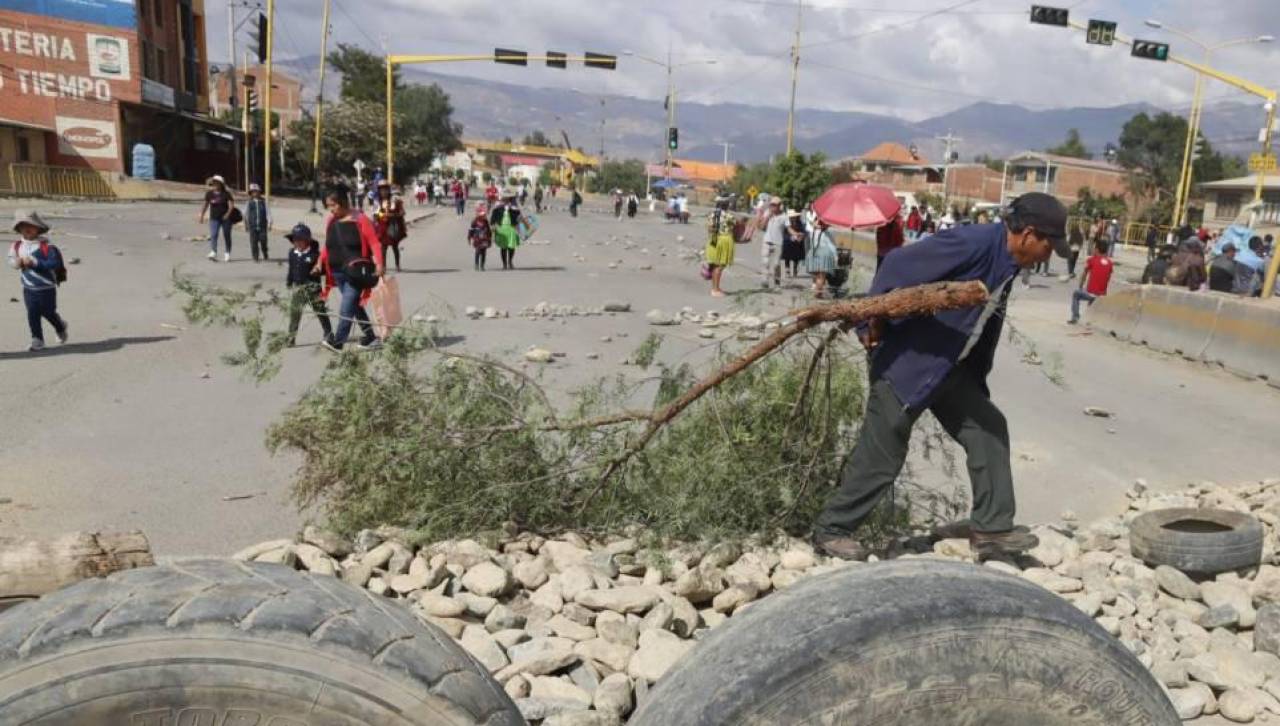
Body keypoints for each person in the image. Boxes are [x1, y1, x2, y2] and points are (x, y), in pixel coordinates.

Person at [812, 192, 1070, 560]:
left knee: (988, 428)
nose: (1048, 256)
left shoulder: (1008, 258)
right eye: (1048, 245)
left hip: (947, 367)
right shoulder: (974, 242)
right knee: (883, 451)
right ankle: (832, 529)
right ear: (1028, 234)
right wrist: (872, 324)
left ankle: (991, 528)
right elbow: (896, 265)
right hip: (908, 363)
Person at [315, 185, 384, 352]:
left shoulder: (360, 219)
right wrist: (319, 262)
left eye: (333, 205)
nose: (331, 210)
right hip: (337, 271)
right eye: (328, 206)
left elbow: (374, 242)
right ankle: (370, 337)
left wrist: (380, 264)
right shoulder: (331, 221)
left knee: (347, 305)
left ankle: (338, 342)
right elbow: (328, 245)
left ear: (343, 202)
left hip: (356, 272)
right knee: (354, 305)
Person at [8, 209, 67, 352]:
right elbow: (10, 260)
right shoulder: (16, 246)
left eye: (31, 225)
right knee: (32, 313)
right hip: (28, 288)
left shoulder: (47, 247)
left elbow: (54, 264)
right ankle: (37, 339)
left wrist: (35, 263)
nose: (27, 228)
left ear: (38, 228)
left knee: (48, 312)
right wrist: (16, 263)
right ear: (18, 229)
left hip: (46, 288)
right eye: (23, 226)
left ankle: (60, 326)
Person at [284, 223, 333, 347]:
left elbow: (324, 270)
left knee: (320, 311)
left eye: (300, 240)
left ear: (307, 241)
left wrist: (318, 271)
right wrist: (289, 282)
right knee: (295, 312)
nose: (297, 243)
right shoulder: (292, 253)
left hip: (313, 289)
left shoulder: (315, 255)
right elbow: (291, 270)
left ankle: (328, 333)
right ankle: (291, 338)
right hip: (299, 289)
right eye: (294, 240)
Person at [1068, 240, 1114, 324]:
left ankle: (1075, 317)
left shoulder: (1092, 260)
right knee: (1093, 295)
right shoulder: (1110, 263)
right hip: (1102, 295)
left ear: (1097, 249)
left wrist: (1080, 285)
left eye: (1094, 248)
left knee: (1076, 294)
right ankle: (1090, 318)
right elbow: (1107, 277)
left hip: (1091, 293)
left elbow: (1084, 275)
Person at [372, 180, 407, 272]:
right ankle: (383, 266)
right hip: (382, 227)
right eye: (381, 190)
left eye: (385, 190)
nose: (383, 192)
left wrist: (393, 215)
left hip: (393, 227)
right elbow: (375, 214)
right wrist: (380, 216)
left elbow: (402, 212)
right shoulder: (377, 202)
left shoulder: (395, 200)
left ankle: (397, 265)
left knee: (395, 247)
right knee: (383, 248)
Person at [198, 175, 235, 262]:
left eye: (216, 183)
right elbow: (205, 205)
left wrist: (227, 214)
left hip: (226, 219)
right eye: (213, 183)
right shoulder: (209, 194)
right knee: (214, 235)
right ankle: (213, 252)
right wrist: (202, 215)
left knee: (227, 236)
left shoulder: (226, 194)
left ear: (221, 184)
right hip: (214, 218)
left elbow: (231, 205)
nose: (214, 185)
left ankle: (227, 253)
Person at [704, 198, 736, 297]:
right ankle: (716, 289)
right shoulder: (728, 216)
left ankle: (714, 288)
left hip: (713, 239)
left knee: (714, 265)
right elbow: (735, 224)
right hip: (723, 240)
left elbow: (709, 227)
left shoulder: (712, 214)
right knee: (720, 265)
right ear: (726, 205)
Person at [806, 217, 839, 298]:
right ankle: (818, 293)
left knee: (816, 275)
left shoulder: (813, 232)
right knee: (821, 276)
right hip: (824, 254)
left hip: (813, 253)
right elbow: (832, 246)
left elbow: (809, 244)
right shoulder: (827, 233)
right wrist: (836, 257)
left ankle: (817, 291)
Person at [490, 191, 523, 270]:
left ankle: (510, 261)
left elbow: (519, 219)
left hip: (512, 228)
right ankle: (504, 264)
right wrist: (493, 227)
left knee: (511, 247)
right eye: (504, 198)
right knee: (503, 247)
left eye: (507, 198)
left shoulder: (514, 208)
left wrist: (519, 220)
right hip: (501, 229)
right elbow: (493, 219)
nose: (506, 200)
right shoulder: (497, 208)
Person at [760, 198, 786, 289]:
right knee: (765, 262)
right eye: (772, 205)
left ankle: (777, 282)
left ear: (779, 206)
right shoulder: (767, 213)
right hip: (767, 241)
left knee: (776, 264)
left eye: (775, 205)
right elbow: (762, 227)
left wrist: (795, 234)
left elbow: (789, 228)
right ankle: (765, 280)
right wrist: (767, 217)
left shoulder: (784, 216)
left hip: (778, 243)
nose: (773, 207)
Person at [245, 183, 270, 262]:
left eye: (256, 191)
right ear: (251, 193)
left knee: (263, 240)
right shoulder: (249, 203)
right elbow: (245, 214)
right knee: (253, 242)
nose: (255, 193)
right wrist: (246, 224)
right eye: (253, 192)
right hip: (252, 225)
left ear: (259, 192)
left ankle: (265, 251)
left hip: (262, 225)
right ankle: (255, 256)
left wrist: (270, 222)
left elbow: (268, 212)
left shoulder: (263, 202)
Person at [782, 209, 807, 278]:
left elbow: (804, 232)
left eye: (794, 216)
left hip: (797, 242)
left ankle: (795, 268)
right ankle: (787, 269)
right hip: (788, 241)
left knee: (796, 256)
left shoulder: (799, 223)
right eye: (791, 217)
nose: (793, 217)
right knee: (787, 255)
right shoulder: (786, 223)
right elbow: (784, 233)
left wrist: (801, 236)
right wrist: (790, 237)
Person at [468, 206, 493, 271]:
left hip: (485, 238)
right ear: (478, 214)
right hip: (477, 238)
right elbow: (471, 230)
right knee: (478, 251)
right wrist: (469, 238)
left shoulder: (486, 221)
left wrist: (490, 238)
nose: (483, 215)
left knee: (484, 252)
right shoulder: (474, 221)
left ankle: (482, 265)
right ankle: (476, 265)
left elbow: (489, 230)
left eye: (484, 214)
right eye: (482, 214)